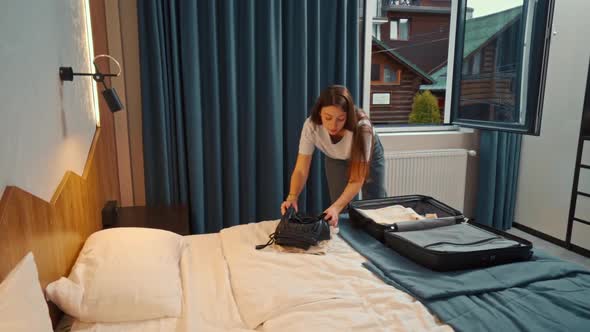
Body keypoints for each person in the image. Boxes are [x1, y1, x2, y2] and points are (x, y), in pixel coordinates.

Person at [280, 85, 387, 226]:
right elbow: (301, 169)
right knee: (340, 207)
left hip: (369, 155)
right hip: (336, 156)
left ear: (348, 115)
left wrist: (335, 208)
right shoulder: (311, 126)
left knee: (375, 204)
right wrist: (292, 196)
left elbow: (356, 179)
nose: (333, 125)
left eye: (340, 119)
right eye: (328, 118)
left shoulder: (362, 129)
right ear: (319, 113)